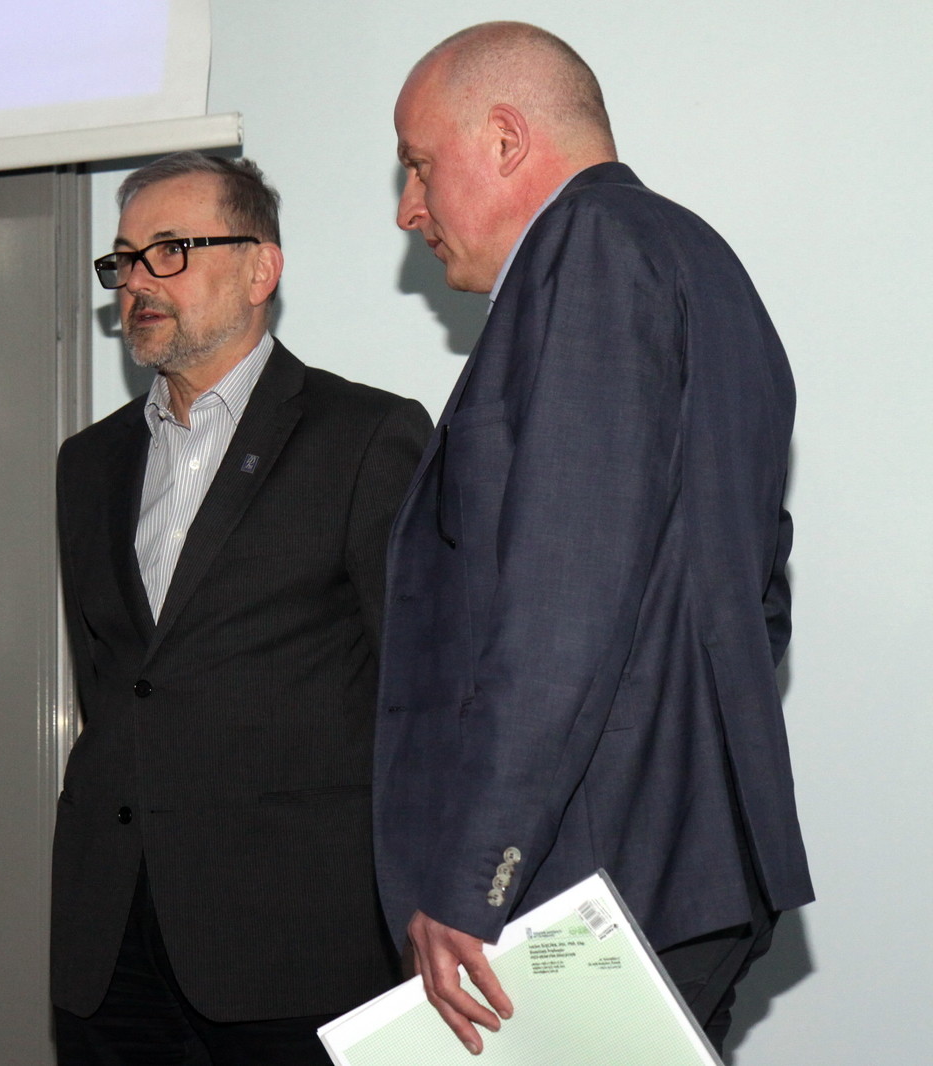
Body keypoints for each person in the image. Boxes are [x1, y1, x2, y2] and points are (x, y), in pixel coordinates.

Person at [374, 21, 813, 1056]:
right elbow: (757, 599)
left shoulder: (593, 250)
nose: (409, 209)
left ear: (505, 139)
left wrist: (476, 876)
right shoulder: (702, 264)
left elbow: (561, 609)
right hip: (673, 867)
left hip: (590, 876)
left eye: (418, 166)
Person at [51, 152, 431, 1064]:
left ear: (261, 268)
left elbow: (421, 695)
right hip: (111, 945)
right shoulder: (88, 463)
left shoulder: (366, 435)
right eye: (124, 258)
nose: (137, 280)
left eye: (170, 250)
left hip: (293, 943)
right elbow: (118, 688)